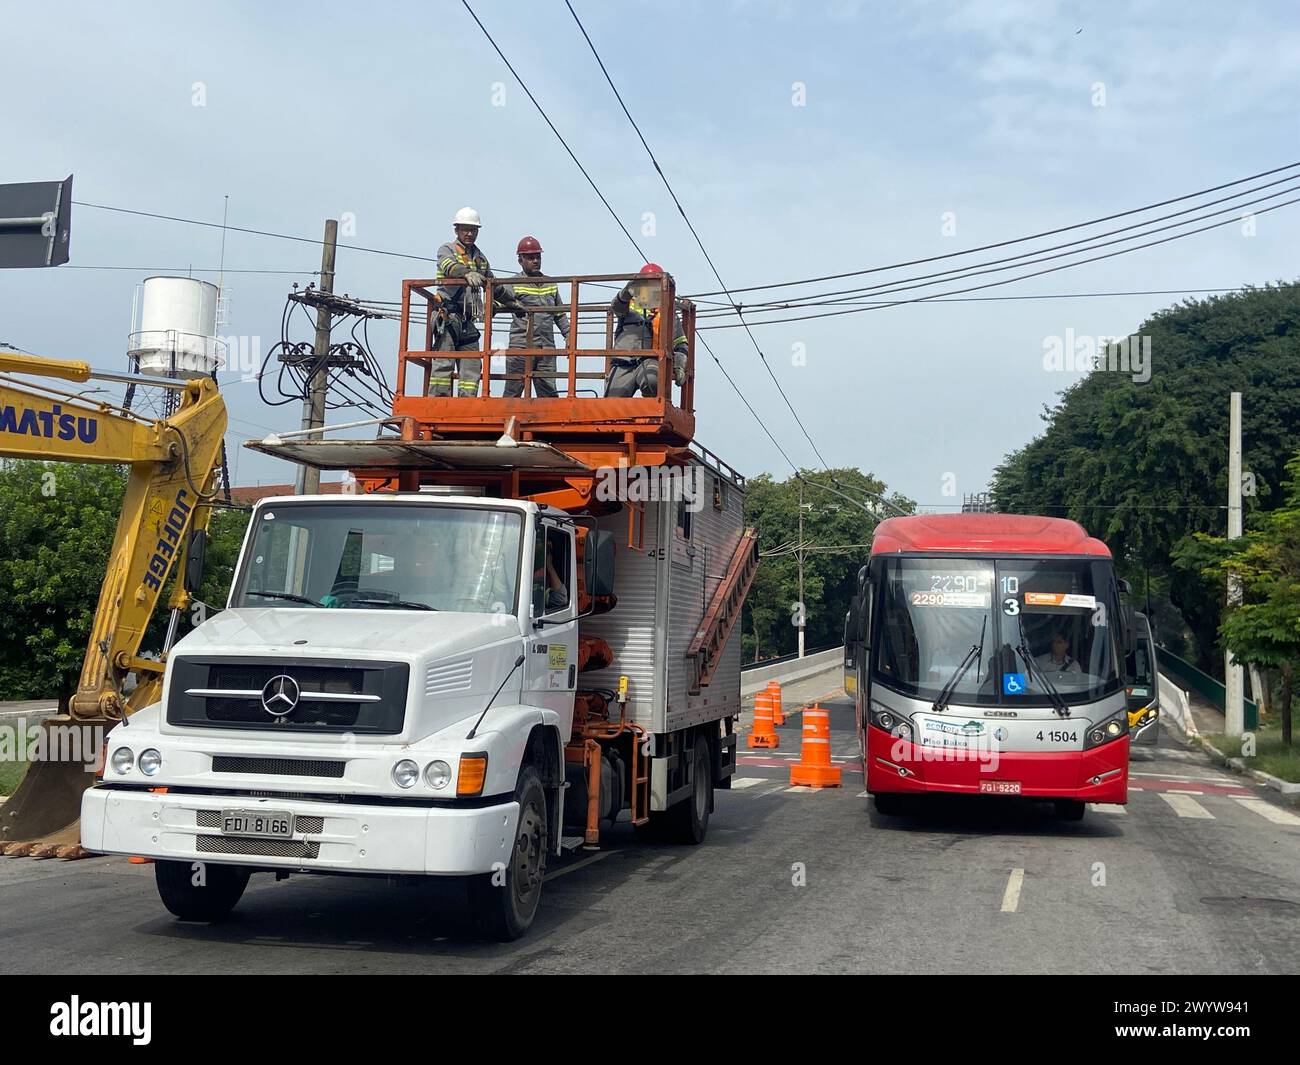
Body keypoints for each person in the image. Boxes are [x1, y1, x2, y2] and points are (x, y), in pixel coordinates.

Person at [429, 207, 518, 397]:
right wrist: (465, 273)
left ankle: (466, 403)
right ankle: (438, 402)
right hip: (448, 315)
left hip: (467, 320)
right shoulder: (447, 249)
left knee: (472, 365)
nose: (469, 234)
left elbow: (493, 285)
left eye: (473, 230)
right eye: (465, 229)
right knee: (444, 362)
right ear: (456, 230)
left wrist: (512, 301)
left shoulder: (480, 258)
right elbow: (449, 267)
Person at [605, 263, 689, 398]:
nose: (649, 290)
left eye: (654, 286)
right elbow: (616, 306)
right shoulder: (628, 304)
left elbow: (680, 343)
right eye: (646, 285)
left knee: (652, 381)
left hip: (650, 360)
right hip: (623, 362)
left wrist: (679, 365)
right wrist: (626, 291)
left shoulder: (667, 312)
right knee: (611, 403)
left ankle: (649, 412)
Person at [502, 236, 569, 397]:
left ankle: (551, 422)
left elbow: (559, 313)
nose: (535, 260)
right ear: (520, 260)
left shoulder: (550, 283)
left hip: (546, 348)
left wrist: (569, 335)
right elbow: (497, 302)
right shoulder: (512, 283)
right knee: (513, 392)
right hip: (520, 347)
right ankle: (505, 420)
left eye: (537, 256)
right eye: (530, 257)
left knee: (548, 394)